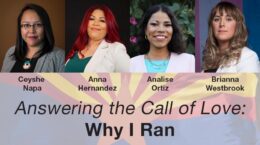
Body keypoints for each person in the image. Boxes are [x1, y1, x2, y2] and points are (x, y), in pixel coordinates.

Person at [130, 4, 195, 73]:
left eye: (167, 25)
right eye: (154, 24)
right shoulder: (132, 64)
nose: (161, 30)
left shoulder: (188, 61)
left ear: (173, 30)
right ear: (145, 30)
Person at [65, 5, 130, 72]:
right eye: (92, 19)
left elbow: (128, 79)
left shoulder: (116, 49)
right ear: (86, 23)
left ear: (109, 27)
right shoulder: (77, 49)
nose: (96, 23)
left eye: (102, 20)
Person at [1, 3, 64, 72]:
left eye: (38, 25)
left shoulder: (61, 57)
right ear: (20, 28)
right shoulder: (11, 52)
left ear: (45, 27)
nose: (32, 31)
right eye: (26, 25)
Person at [203, 1, 260, 72]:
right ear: (212, 26)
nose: (222, 24)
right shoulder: (209, 61)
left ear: (237, 26)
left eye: (228, 19)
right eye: (217, 19)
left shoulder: (248, 56)